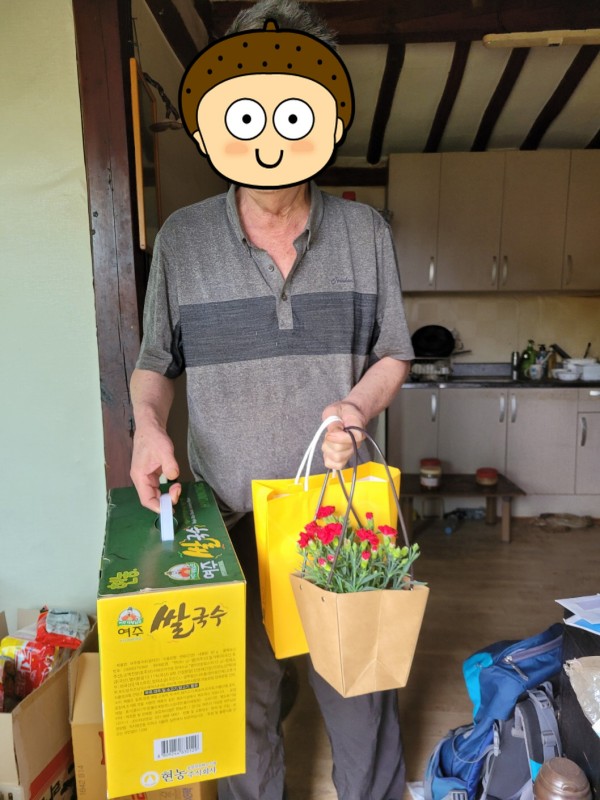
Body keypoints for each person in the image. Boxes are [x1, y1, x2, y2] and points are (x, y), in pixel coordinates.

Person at [130, 2, 414, 798]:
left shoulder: (365, 233)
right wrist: (148, 427)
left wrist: (356, 407)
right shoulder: (182, 240)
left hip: (340, 511)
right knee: (244, 702)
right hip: (227, 516)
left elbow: (395, 351)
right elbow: (155, 363)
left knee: (360, 693)